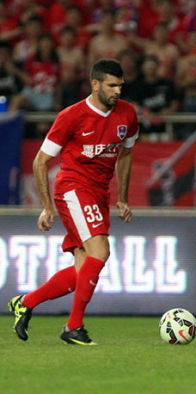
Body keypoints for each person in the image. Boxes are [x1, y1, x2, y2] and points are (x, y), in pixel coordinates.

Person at [8, 58, 139, 346]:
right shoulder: (72, 116)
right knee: (100, 251)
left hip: (99, 193)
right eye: (111, 85)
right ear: (95, 84)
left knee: (84, 268)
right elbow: (40, 161)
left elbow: (126, 154)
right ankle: (73, 326)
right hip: (74, 188)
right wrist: (47, 207)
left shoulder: (128, 114)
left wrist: (123, 198)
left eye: (120, 85)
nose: (117, 91)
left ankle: (26, 302)